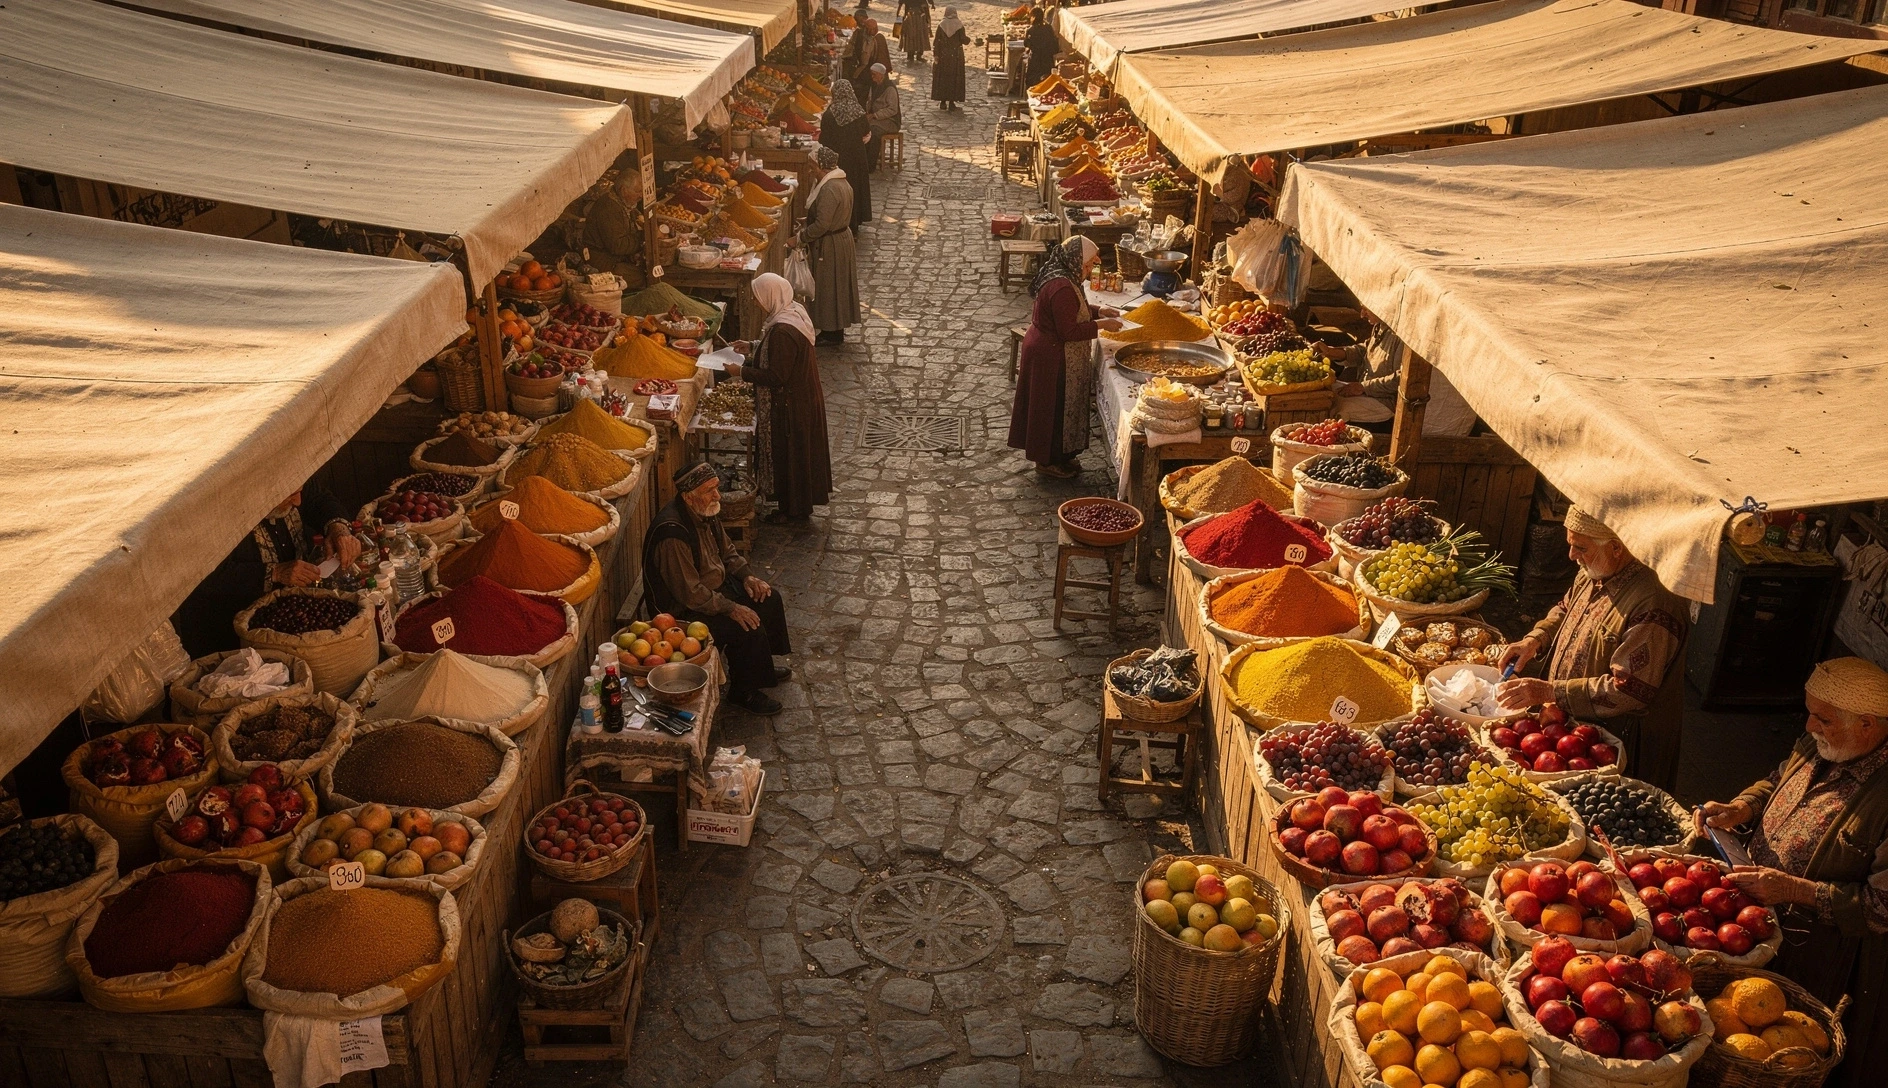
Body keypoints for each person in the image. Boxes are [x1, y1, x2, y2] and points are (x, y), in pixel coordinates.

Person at [1694, 657, 1888, 1088]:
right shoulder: (1819, 740)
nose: (1809, 725)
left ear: (1869, 726)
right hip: (1750, 917)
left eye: (1822, 718)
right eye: (1809, 711)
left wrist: (1792, 889)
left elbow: (1881, 908)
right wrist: (1742, 805)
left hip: (1816, 950)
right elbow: (1776, 779)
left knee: (1780, 1052)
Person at [1495, 506, 1690, 790]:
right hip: (1574, 731)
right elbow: (1565, 607)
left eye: (1580, 547)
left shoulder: (1653, 603)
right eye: (1570, 545)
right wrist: (1535, 638)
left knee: (1613, 814)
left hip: (1620, 741)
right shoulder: (1593, 570)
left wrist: (1550, 691)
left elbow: (1627, 689)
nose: (1572, 556)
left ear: (1616, 548)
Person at [643, 463, 793, 715]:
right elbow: (690, 593)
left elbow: (728, 551)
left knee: (769, 598)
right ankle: (743, 691)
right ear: (688, 497)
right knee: (745, 624)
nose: (717, 495)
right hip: (682, 610)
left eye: (717, 488)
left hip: (713, 589)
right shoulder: (673, 533)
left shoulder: (705, 512)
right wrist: (730, 607)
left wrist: (747, 577)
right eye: (709, 490)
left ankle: (761, 665)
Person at [171, 487, 361, 657]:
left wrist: (338, 529)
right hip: (232, 635)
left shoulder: (294, 487)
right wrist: (276, 573)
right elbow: (204, 576)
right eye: (289, 495)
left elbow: (317, 498)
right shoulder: (214, 515)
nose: (297, 502)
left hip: (289, 616)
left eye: (297, 493)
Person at [1006, 237, 1121, 479]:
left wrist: (1099, 311)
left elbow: (1075, 310)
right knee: (1051, 408)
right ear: (1076, 261)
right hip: (1050, 355)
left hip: (1050, 350)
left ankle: (1061, 457)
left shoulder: (1066, 277)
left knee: (1059, 407)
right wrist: (1102, 324)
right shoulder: (1061, 286)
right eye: (1088, 265)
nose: (1089, 270)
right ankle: (1047, 462)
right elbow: (1068, 331)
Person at [727, 274, 832, 522]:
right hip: (799, 400)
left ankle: (791, 511)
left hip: (792, 405)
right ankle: (793, 507)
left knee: (790, 456)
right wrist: (752, 346)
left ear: (771, 295)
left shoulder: (783, 331)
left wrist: (740, 372)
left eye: (758, 297)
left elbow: (776, 375)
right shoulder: (792, 312)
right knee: (794, 455)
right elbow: (776, 352)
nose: (756, 302)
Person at [800, 147, 861, 344]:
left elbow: (822, 225)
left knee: (829, 287)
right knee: (837, 286)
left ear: (822, 167)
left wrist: (801, 237)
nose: (811, 171)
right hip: (840, 240)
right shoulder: (840, 183)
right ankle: (834, 330)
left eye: (813, 167)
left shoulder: (829, 189)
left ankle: (831, 332)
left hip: (831, 245)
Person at [579, 169, 648, 291]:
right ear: (623, 190)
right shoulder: (608, 209)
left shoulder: (623, 202)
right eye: (637, 191)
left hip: (615, 257)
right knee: (644, 277)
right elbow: (618, 246)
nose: (641, 196)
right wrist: (643, 236)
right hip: (603, 262)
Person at [819, 81, 873, 229]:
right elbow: (865, 131)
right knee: (855, 189)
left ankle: (841, 223)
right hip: (857, 157)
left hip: (839, 158)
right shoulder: (858, 111)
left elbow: (824, 139)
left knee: (841, 191)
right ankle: (855, 225)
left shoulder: (830, 114)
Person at [862, 64, 902, 172]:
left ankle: (870, 165)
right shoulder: (875, 86)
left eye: (874, 75)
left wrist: (875, 115)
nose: (872, 77)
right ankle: (863, 161)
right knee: (864, 127)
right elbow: (870, 102)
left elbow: (893, 109)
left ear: (881, 75)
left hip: (891, 121)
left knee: (874, 131)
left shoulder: (889, 88)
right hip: (878, 119)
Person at [931, 7, 968, 110]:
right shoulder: (959, 25)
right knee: (954, 77)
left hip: (943, 55)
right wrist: (969, 40)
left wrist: (936, 55)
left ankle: (943, 102)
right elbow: (963, 39)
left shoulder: (941, 25)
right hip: (956, 56)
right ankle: (952, 102)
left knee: (943, 77)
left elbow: (936, 41)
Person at [845, 17, 892, 84]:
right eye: (869, 29)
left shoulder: (879, 39)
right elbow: (850, 47)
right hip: (861, 69)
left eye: (873, 29)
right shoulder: (859, 34)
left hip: (872, 70)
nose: (871, 31)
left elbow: (883, 56)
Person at [1024, 8, 1058, 89]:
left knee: (1033, 79)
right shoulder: (1048, 28)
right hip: (1047, 58)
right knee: (1045, 78)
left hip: (1035, 58)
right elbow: (1053, 42)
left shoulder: (1030, 30)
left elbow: (1026, 44)